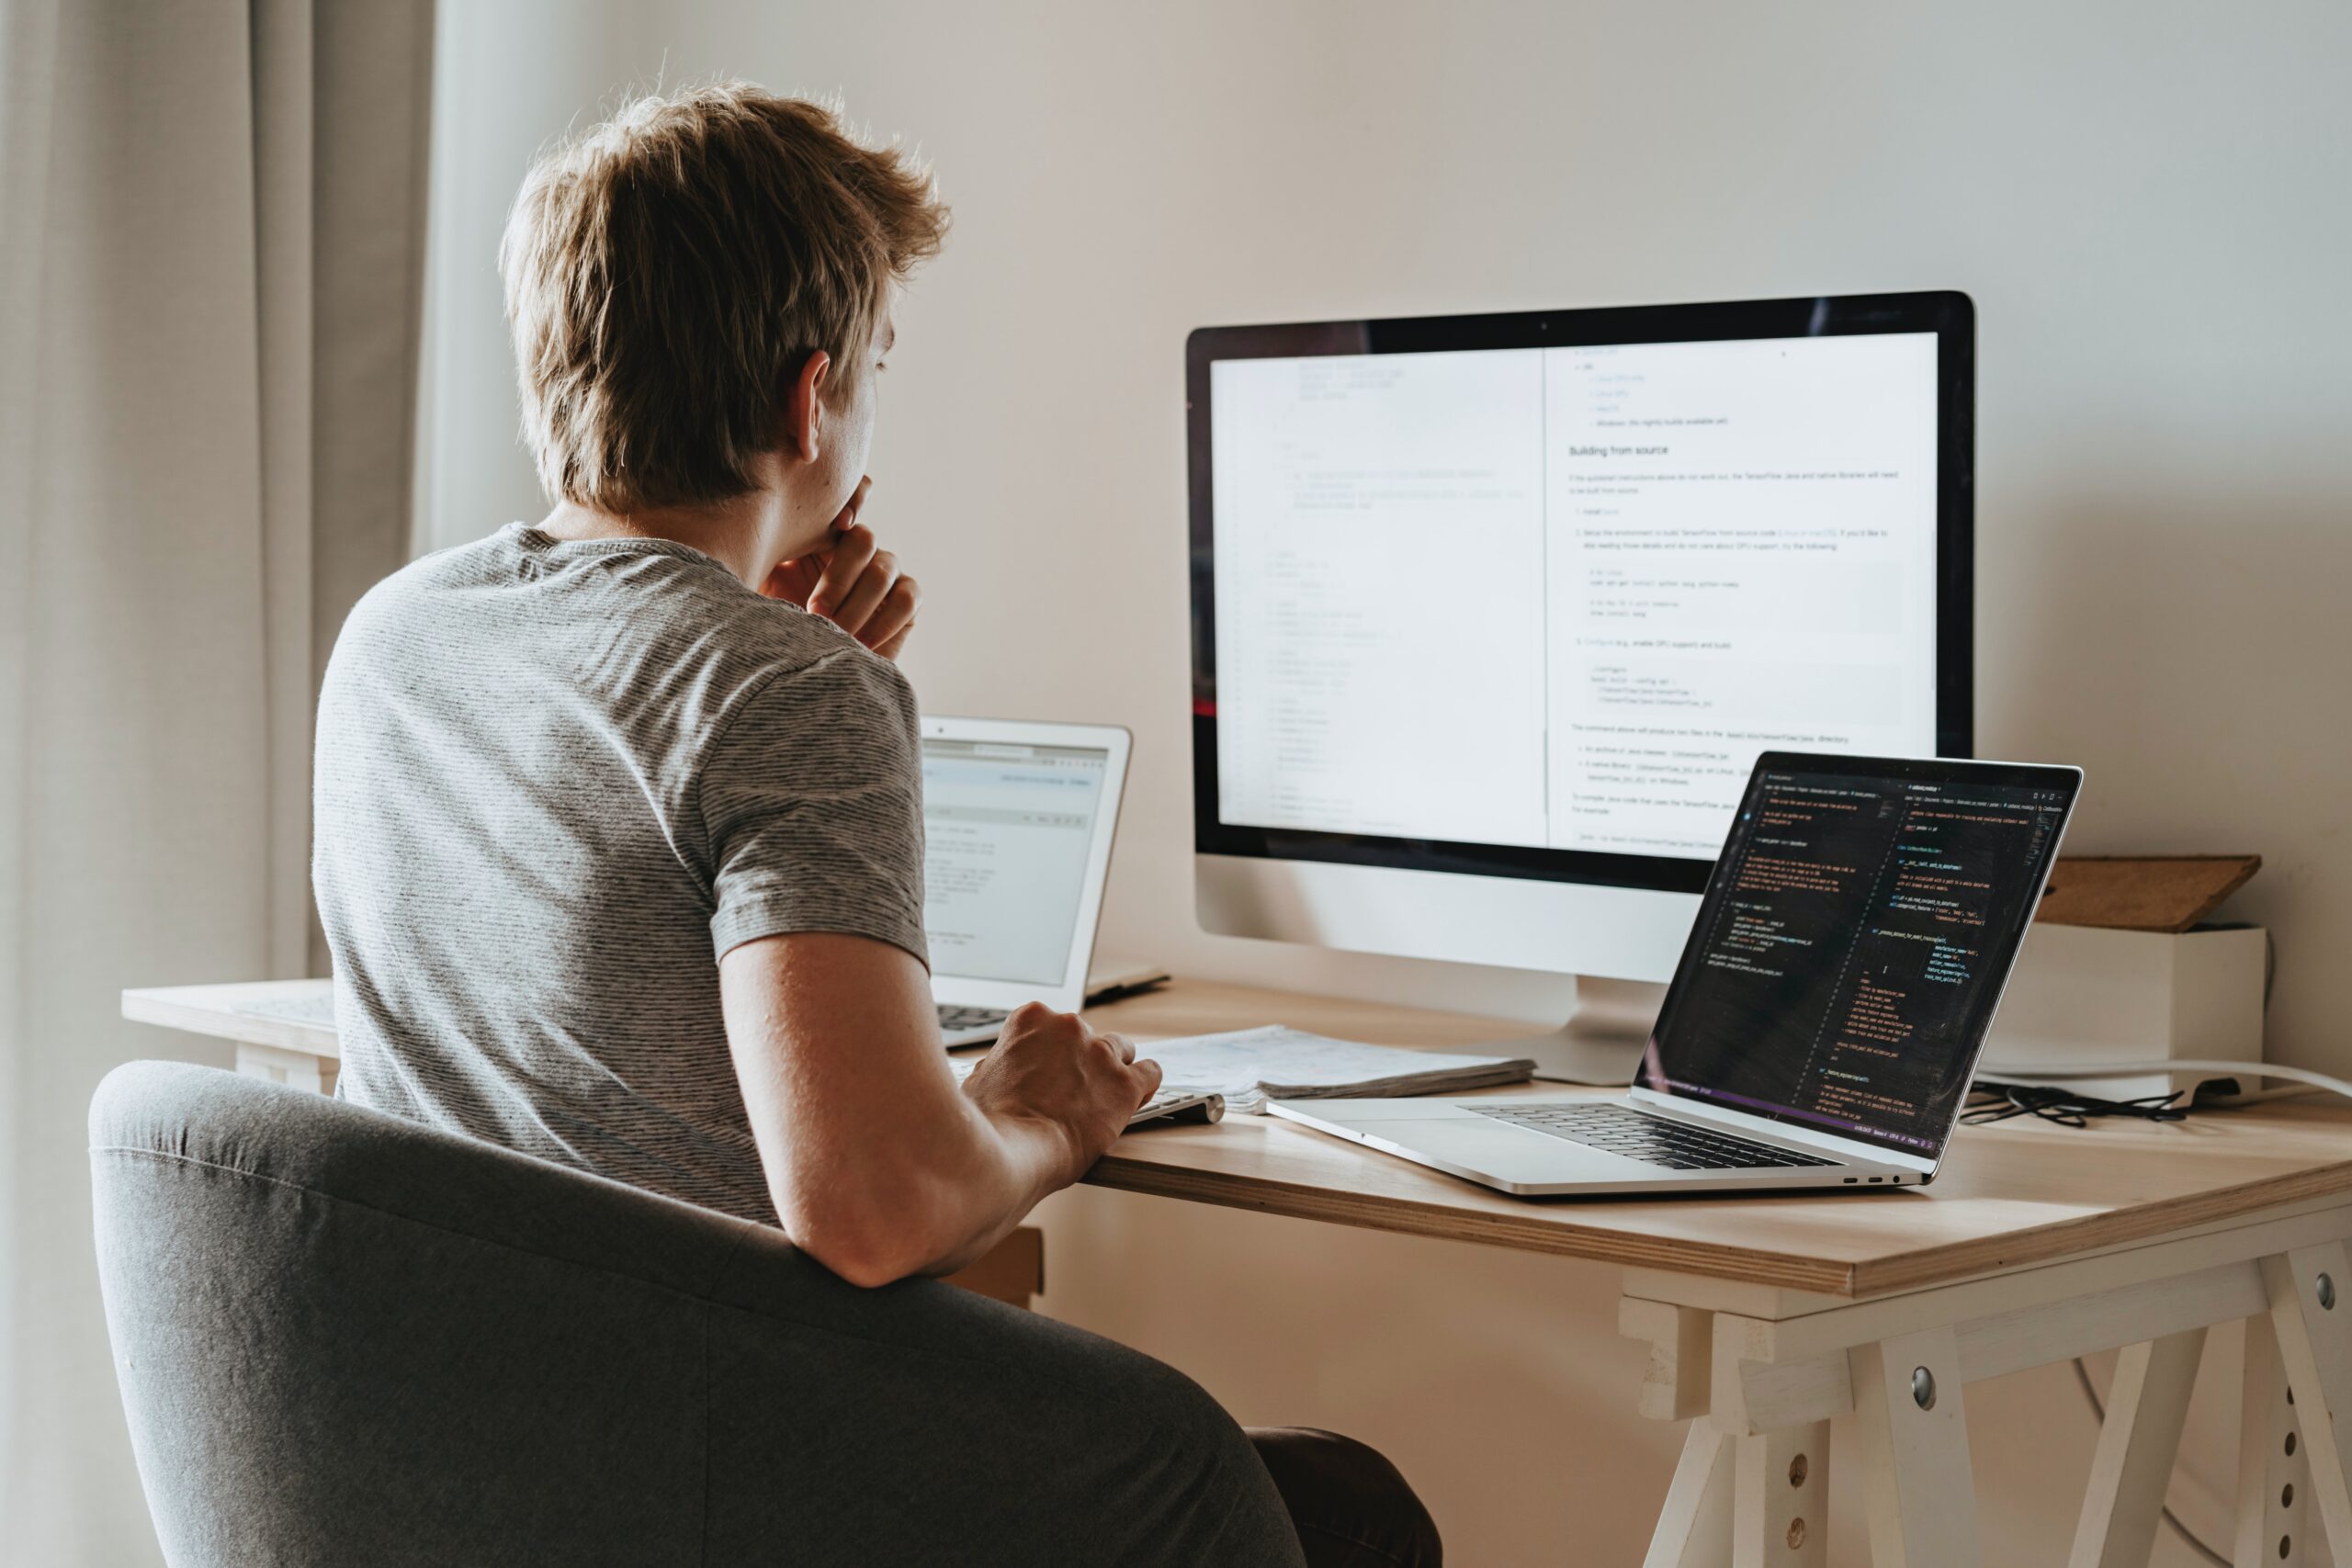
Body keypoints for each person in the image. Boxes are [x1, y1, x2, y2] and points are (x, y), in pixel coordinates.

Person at [312, 82, 1441, 1568]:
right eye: (879, 369)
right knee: (1345, 1507)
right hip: (703, 1471)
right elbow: (875, 1206)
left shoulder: (398, 634)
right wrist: (1041, 1117)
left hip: (462, 1462)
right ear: (810, 396)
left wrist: (787, 662)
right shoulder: (784, 689)